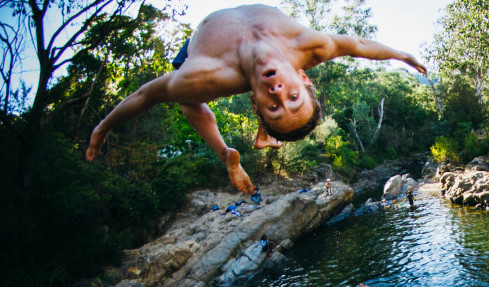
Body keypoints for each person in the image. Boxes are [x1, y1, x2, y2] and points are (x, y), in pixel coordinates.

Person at [85, 5, 426, 194]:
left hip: (206, 53)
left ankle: (227, 152)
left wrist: (102, 127)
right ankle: (265, 133)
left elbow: (146, 94)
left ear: (255, 102)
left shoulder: (203, 75)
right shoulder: (311, 45)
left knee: (188, 101)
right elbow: (361, 46)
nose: (279, 93)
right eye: (293, 96)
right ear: (304, 75)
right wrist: (403, 54)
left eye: (273, 105)